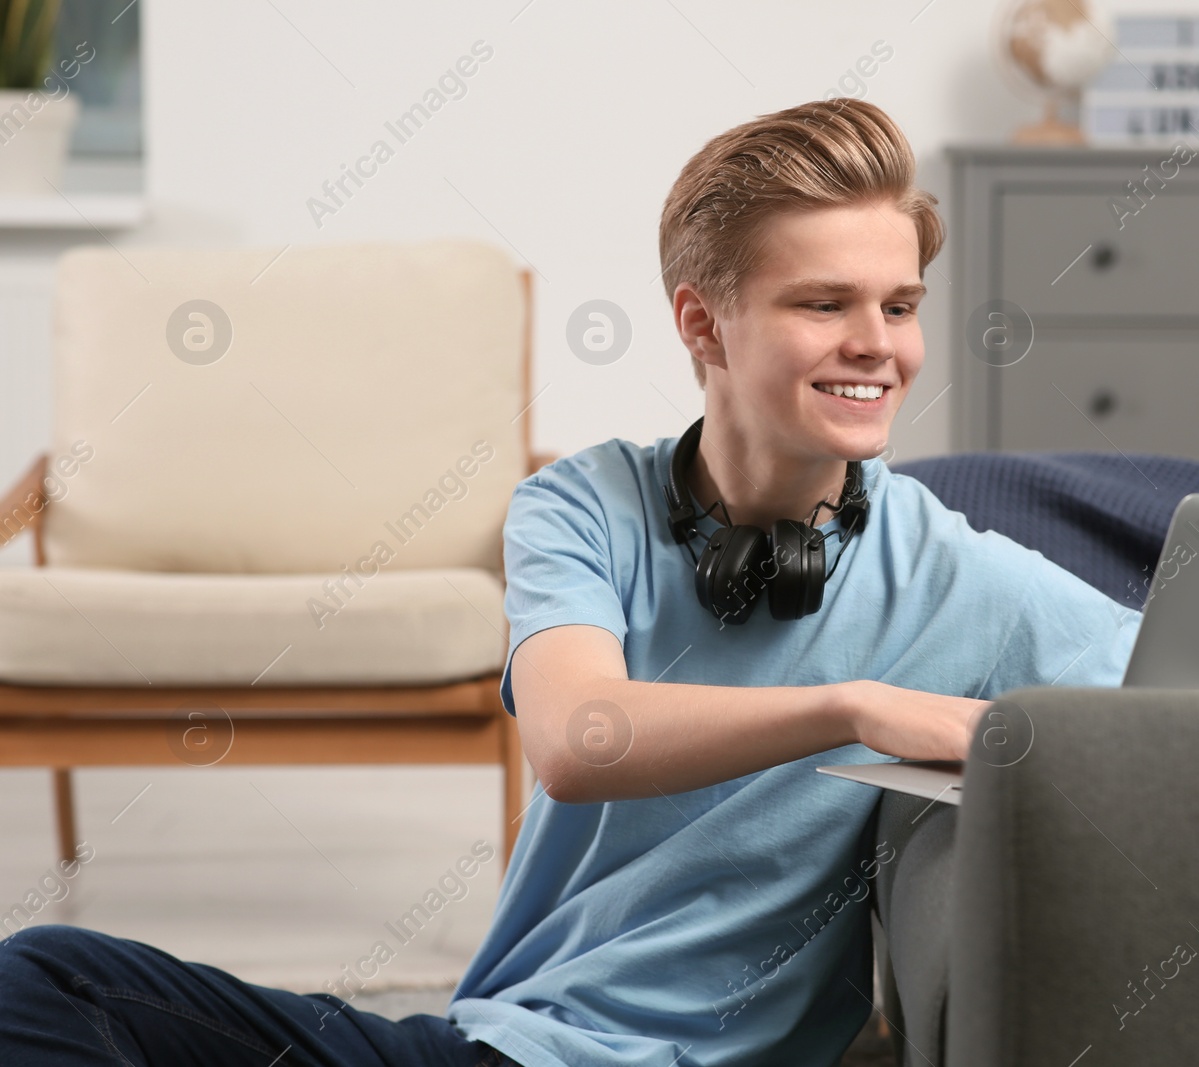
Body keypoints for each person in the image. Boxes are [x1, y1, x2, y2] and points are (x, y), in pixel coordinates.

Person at [0, 97, 1140, 1067]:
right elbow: (578, 736)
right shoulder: (581, 507)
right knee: (46, 978)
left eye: (897, 306)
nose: (876, 345)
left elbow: (1187, 696)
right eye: (822, 302)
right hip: (504, 1043)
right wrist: (853, 707)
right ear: (703, 321)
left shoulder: (961, 578)